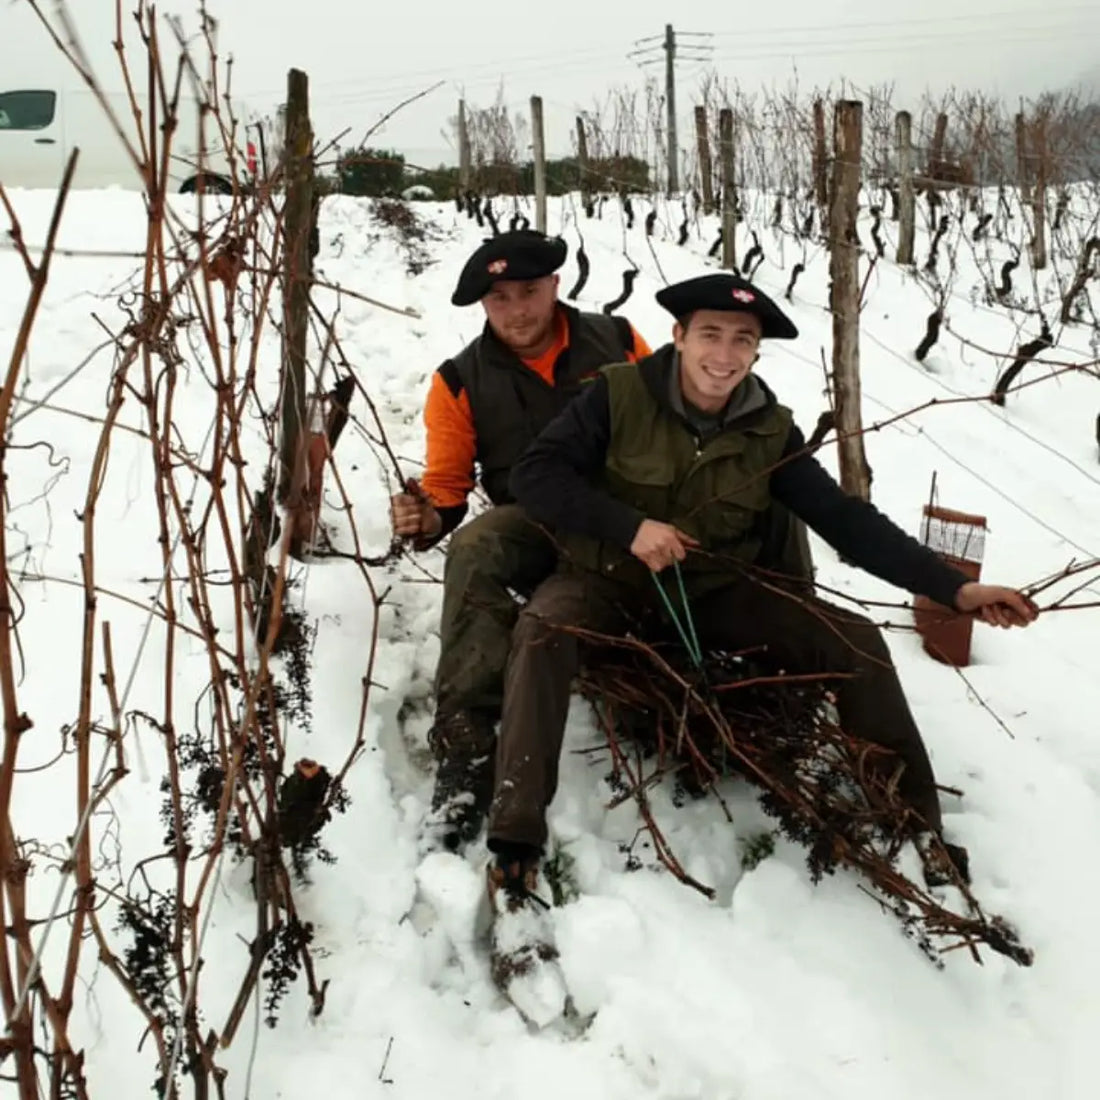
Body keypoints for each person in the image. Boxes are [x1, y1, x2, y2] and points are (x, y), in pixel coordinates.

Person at [488, 271, 1038, 903]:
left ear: (755, 352)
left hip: (714, 592)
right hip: (604, 579)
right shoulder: (617, 395)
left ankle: (915, 827)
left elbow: (844, 520)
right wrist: (629, 527)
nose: (724, 355)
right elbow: (535, 476)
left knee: (853, 639)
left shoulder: (769, 429)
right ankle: (515, 838)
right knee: (543, 630)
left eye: (742, 341)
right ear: (679, 336)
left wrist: (953, 591)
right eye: (710, 335)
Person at [390, 229, 652, 850]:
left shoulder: (617, 341)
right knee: (475, 548)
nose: (517, 311)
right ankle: (467, 750)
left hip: (629, 515)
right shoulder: (458, 380)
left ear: (556, 285)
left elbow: (667, 418)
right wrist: (426, 518)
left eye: (529, 291)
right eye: (499, 299)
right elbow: (447, 488)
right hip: (534, 522)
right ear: (483, 304)